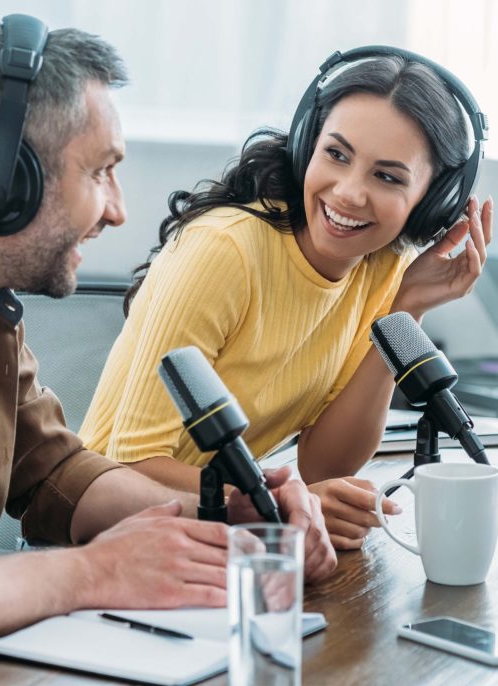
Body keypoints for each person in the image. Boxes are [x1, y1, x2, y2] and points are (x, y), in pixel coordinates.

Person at [0, 16, 337, 660]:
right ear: (1, 181)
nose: (117, 210)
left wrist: (216, 517)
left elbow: (51, 470)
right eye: (102, 170)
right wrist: (90, 573)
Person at [80, 47, 493, 551]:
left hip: (232, 539)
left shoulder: (380, 268)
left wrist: (404, 312)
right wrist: (285, 505)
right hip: (112, 534)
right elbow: (132, 462)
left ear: (433, 201)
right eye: (336, 154)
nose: (347, 193)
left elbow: (325, 465)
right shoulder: (226, 250)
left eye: (387, 176)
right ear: (306, 145)